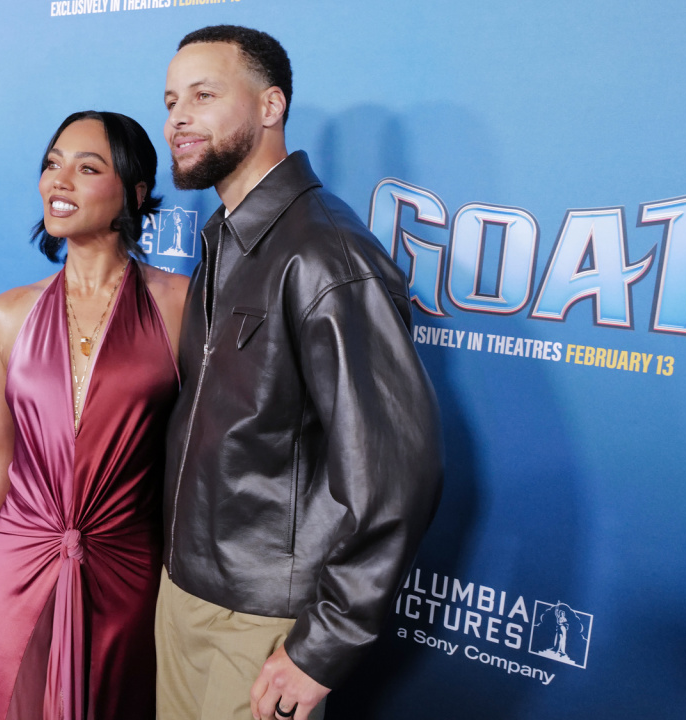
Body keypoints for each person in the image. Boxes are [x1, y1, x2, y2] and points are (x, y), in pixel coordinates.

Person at [155, 26, 445, 720]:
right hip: (183, 594)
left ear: (270, 106)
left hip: (263, 625)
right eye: (170, 101)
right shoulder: (223, 238)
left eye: (203, 95)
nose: (178, 119)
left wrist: (325, 645)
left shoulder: (326, 254)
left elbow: (396, 471)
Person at [0, 110, 188, 720]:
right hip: (13, 573)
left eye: (87, 168)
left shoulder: (180, 305)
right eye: (51, 164)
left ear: (135, 193)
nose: (58, 181)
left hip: (129, 575)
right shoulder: (8, 315)